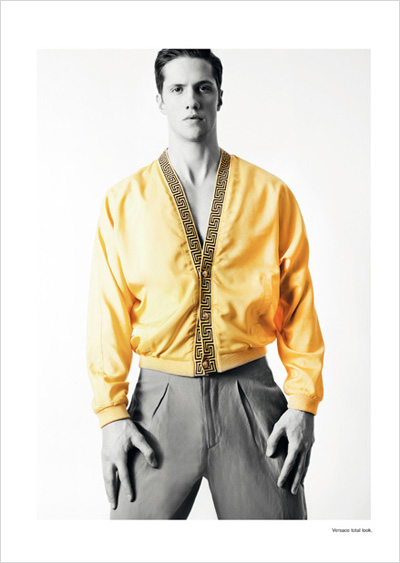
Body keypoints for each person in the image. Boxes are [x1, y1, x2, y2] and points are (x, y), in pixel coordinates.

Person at [86, 49, 325, 520]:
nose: (191, 99)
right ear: (160, 100)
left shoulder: (270, 195)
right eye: (177, 89)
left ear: (219, 96)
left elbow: (299, 306)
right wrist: (110, 415)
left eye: (203, 87)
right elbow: (105, 314)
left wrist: (303, 404)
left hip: (252, 399)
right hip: (157, 408)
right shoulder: (124, 202)